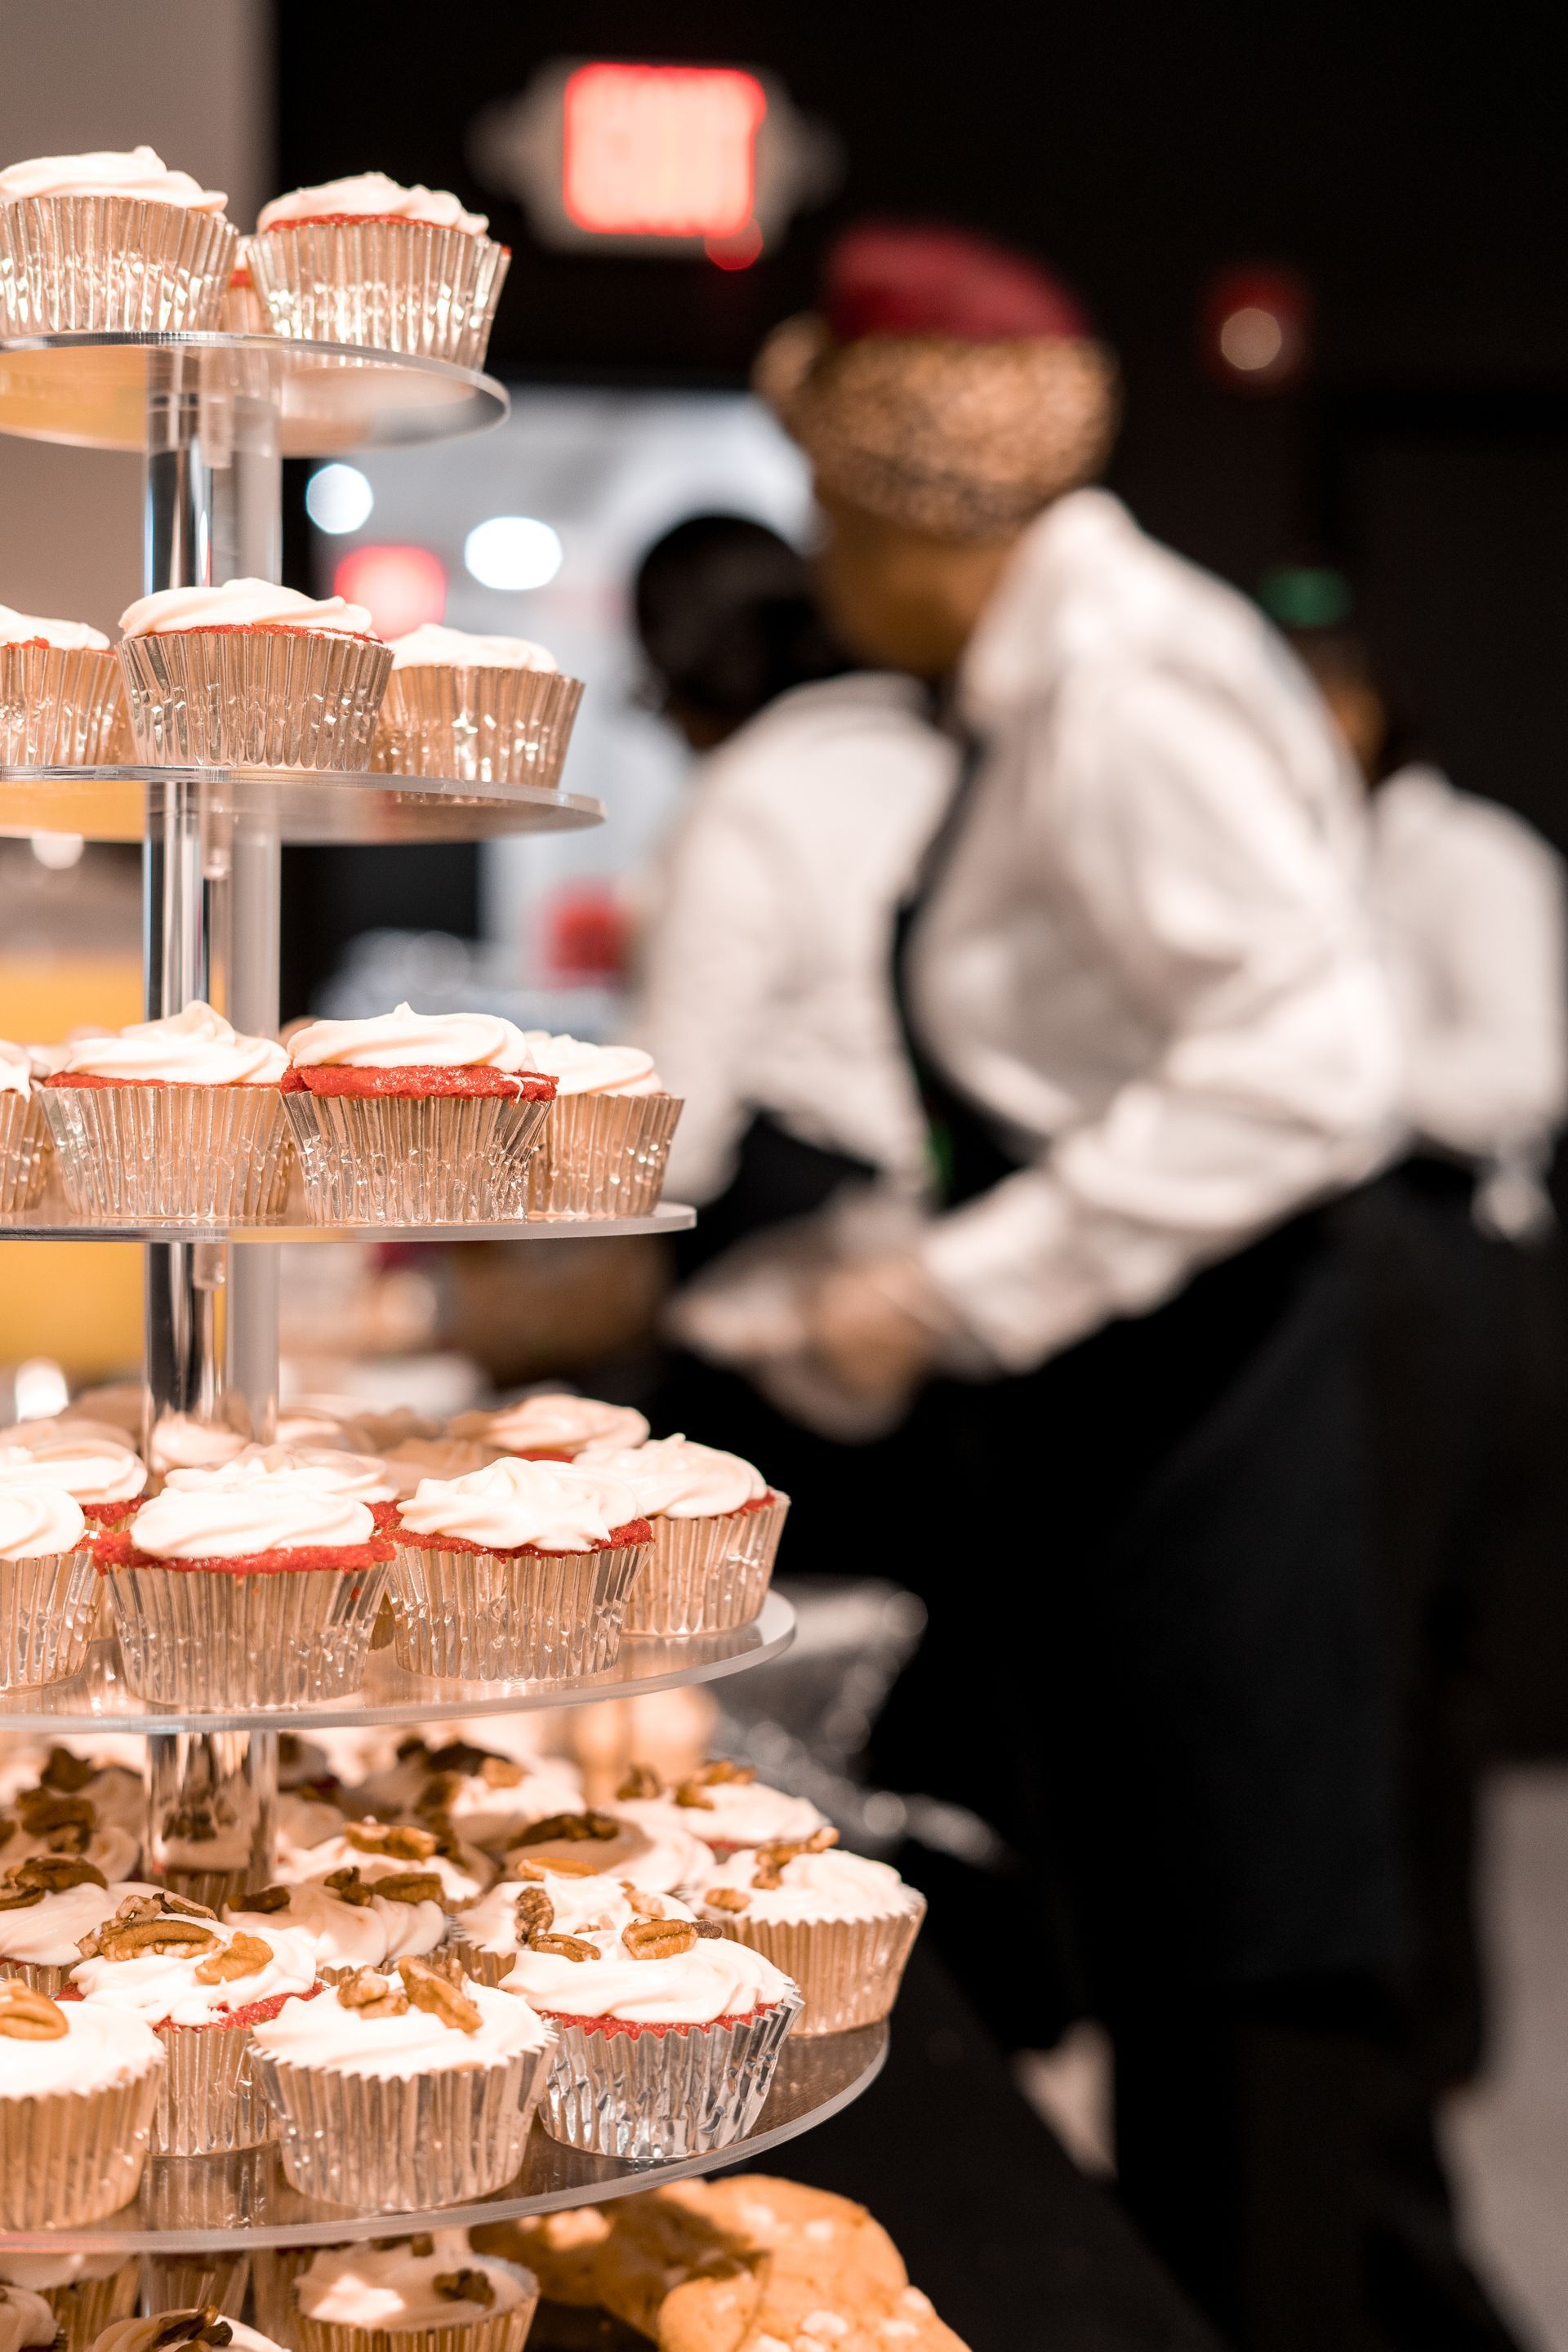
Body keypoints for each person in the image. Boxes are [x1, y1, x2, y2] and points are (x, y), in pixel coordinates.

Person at [754, 222, 1526, 2351]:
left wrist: (963, 1287)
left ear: (923, 507)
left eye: (832, 508)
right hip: (1172, 1378)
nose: (819, 562)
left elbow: (1310, 1059)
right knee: (1203, 1933)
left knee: (1257, 1945)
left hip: (1243, 1380)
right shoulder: (1049, 669)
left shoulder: (1119, 683)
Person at [630, 514, 956, 1566]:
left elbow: (673, 1136)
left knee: (771, 1640)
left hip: (800, 1273)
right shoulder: (944, 760)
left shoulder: (749, 799)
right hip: (973, 1242)